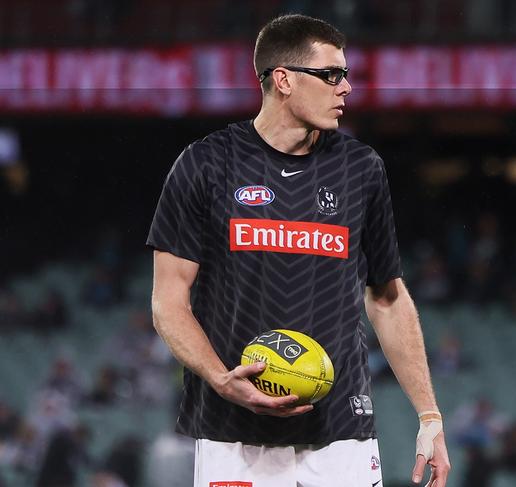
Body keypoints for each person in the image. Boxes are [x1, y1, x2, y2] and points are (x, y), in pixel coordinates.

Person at [147, 13, 450, 487]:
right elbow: (168, 301)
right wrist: (221, 377)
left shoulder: (361, 169)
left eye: (345, 74)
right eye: (331, 74)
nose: (346, 87)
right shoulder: (205, 164)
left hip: (341, 433)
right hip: (232, 433)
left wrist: (429, 416)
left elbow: (387, 298)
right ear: (283, 80)